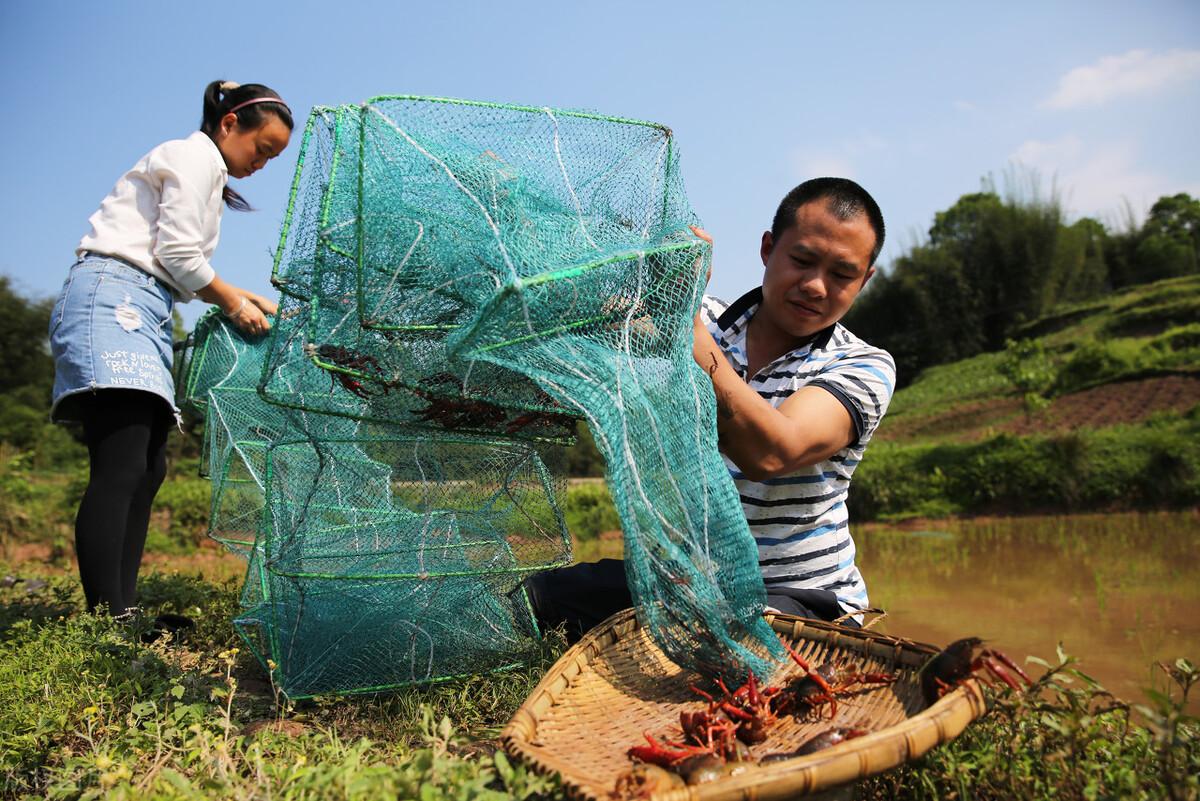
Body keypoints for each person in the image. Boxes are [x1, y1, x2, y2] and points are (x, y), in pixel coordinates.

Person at [526, 177, 894, 641]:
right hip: (690, 582)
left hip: (798, 593)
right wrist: (657, 275)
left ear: (865, 279)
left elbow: (773, 452)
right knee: (542, 599)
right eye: (801, 261)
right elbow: (598, 314)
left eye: (842, 274)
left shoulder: (863, 364)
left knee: (732, 641)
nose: (816, 286)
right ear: (767, 249)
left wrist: (683, 327)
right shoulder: (706, 323)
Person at [48, 80, 293, 630]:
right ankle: (106, 623)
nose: (262, 164)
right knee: (122, 462)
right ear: (230, 124)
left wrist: (237, 292)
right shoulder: (190, 155)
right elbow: (177, 254)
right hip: (113, 298)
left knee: (149, 464)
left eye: (273, 157)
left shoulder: (207, 172)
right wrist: (231, 300)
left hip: (144, 304)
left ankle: (123, 612)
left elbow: (180, 267)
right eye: (262, 149)